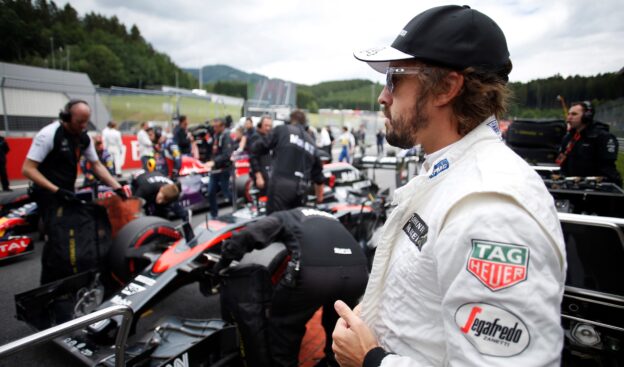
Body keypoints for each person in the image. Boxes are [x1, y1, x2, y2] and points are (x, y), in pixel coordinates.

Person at [331, 5, 566, 367]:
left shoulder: (491, 208)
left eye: (395, 78)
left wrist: (372, 360)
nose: (383, 96)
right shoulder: (451, 175)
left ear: (446, 87)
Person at [216, 207, 369, 367]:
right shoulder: (329, 217)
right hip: (358, 273)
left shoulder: (285, 216)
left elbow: (251, 233)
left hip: (314, 276)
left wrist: (224, 260)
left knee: (283, 326)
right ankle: (334, 362)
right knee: (338, 325)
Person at [22, 99, 125, 284]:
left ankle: (74, 277)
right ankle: (48, 287)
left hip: (67, 192)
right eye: (80, 122)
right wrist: (57, 190)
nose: (83, 126)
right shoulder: (49, 135)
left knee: (74, 233)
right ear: (67, 117)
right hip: (48, 193)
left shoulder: (83, 137)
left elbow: (96, 165)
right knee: (56, 239)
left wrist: (116, 186)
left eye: (87, 121)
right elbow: (28, 169)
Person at [251, 110, 325, 214]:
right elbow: (319, 177)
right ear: (306, 125)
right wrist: (319, 198)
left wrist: (258, 173)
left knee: (275, 224)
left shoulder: (282, 130)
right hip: (301, 191)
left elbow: (256, 149)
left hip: (279, 187)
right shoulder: (312, 143)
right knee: (294, 226)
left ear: (288, 121)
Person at [556, 101, 622, 186]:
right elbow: (562, 163)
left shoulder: (602, 137)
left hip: (596, 188)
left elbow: (607, 168)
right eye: (569, 114)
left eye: (574, 114)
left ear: (587, 116)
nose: (568, 118)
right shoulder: (568, 138)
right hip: (572, 186)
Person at [206, 118, 233, 218]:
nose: (214, 128)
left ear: (222, 126)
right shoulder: (216, 135)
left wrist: (214, 161)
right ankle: (214, 214)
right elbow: (214, 150)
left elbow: (227, 154)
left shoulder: (226, 136)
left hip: (224, 168)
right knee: (210, 192)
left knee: (226, 192)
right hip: (215, 169)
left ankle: (238, 205)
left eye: (216, 127)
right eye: (214, 126)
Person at [248, 116, 273, 197]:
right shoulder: (256, 137)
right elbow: (253, 157)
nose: (268, 128)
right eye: (266, 125)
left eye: (270, 126)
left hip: (268, 173)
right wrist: (258, 176)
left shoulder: (268, 137)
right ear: (260, 125)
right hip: (261, 174)